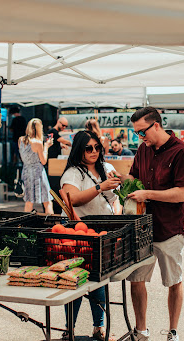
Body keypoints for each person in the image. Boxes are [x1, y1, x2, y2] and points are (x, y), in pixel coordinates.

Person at [110, 107, 184, 341]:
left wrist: (148, 194)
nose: (140, 137)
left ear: (156, 125)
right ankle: (141, 331)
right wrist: (120, 178)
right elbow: (135, 179)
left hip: (170, 228)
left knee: (173, 281)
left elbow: (183, 194)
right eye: (137, 133)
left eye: (141, 132)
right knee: (136, 279)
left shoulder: (182, 152)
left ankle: (173, 331)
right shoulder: (142, 150)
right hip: (142, 228)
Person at [60, 130, 121, 340]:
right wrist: (99, 186)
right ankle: (69, 330)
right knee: (76, 281)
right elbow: (72, 199)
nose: (94, 151)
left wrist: (117, 214)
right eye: (88, 148)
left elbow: (115, 198)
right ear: (80, 149)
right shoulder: (73, 173)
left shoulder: (107, 168)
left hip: (102, 231)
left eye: (97, 147)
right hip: (78, 232)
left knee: (99, 280)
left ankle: (99, 327)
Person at [19, 118, 54, 214]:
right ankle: (50, 224)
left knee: (28, 202)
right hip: (37, 173)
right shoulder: (38, 143)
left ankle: (24, 224)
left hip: (26, 171)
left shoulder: (21, 140)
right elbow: (43, 161)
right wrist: (46, 147)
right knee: (47, 201)